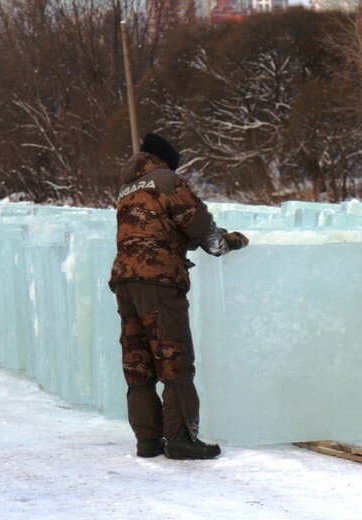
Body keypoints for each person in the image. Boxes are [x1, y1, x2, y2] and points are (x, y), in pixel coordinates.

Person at [109, 133, 249, 460]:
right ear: (166, 160)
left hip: (125, 282)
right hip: (158, 281)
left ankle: (148, 441)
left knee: (138, 365)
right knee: (175, 362)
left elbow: (158, 230)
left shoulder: (129, 189)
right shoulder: (169, 181)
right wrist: (227, 242)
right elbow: (199, 226)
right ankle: (181, 439)